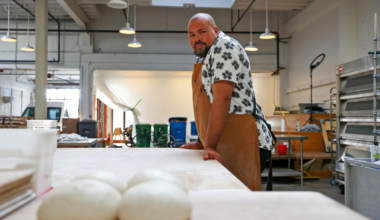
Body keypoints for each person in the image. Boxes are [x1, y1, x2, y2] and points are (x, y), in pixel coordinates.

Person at [180, 13, 276, 191]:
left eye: (201, 31)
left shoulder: (224, 48)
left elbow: (222, 99)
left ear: (215, 30)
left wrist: (210, 145)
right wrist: (203, 141)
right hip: (226, 140)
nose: (196, 38)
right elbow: (206, 104)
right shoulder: (205, 55)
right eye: (191, 34)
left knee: (238, 204)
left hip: (243, 140)